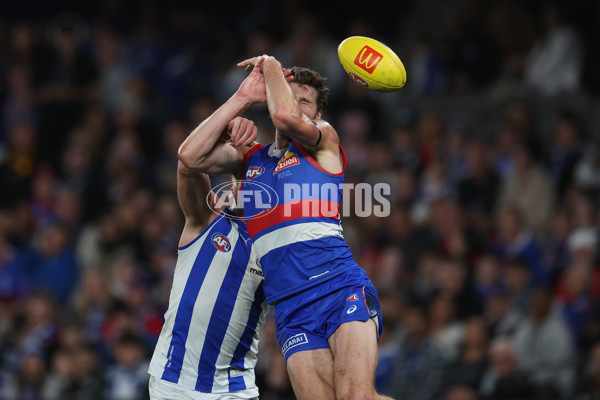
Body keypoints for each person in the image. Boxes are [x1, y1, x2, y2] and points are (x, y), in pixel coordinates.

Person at [178, 55, 387, 399]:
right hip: (290, 307)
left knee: (356, 396)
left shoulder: (324, 139)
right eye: (290, 96)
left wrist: (270, 65)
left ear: (318, 114)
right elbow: (190, 157)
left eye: (305, 101)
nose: (296, 106)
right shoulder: (252, 159)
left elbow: (284, 118)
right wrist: (241, 99)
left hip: (338, 287)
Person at [147, 115, 269, 399]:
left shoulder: (275, 246)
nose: (243, 185)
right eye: (240, 176)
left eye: (254, 178)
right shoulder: (207, 218)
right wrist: (227, 124)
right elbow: (188, 161)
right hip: (174, 384)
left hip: (235, 390)